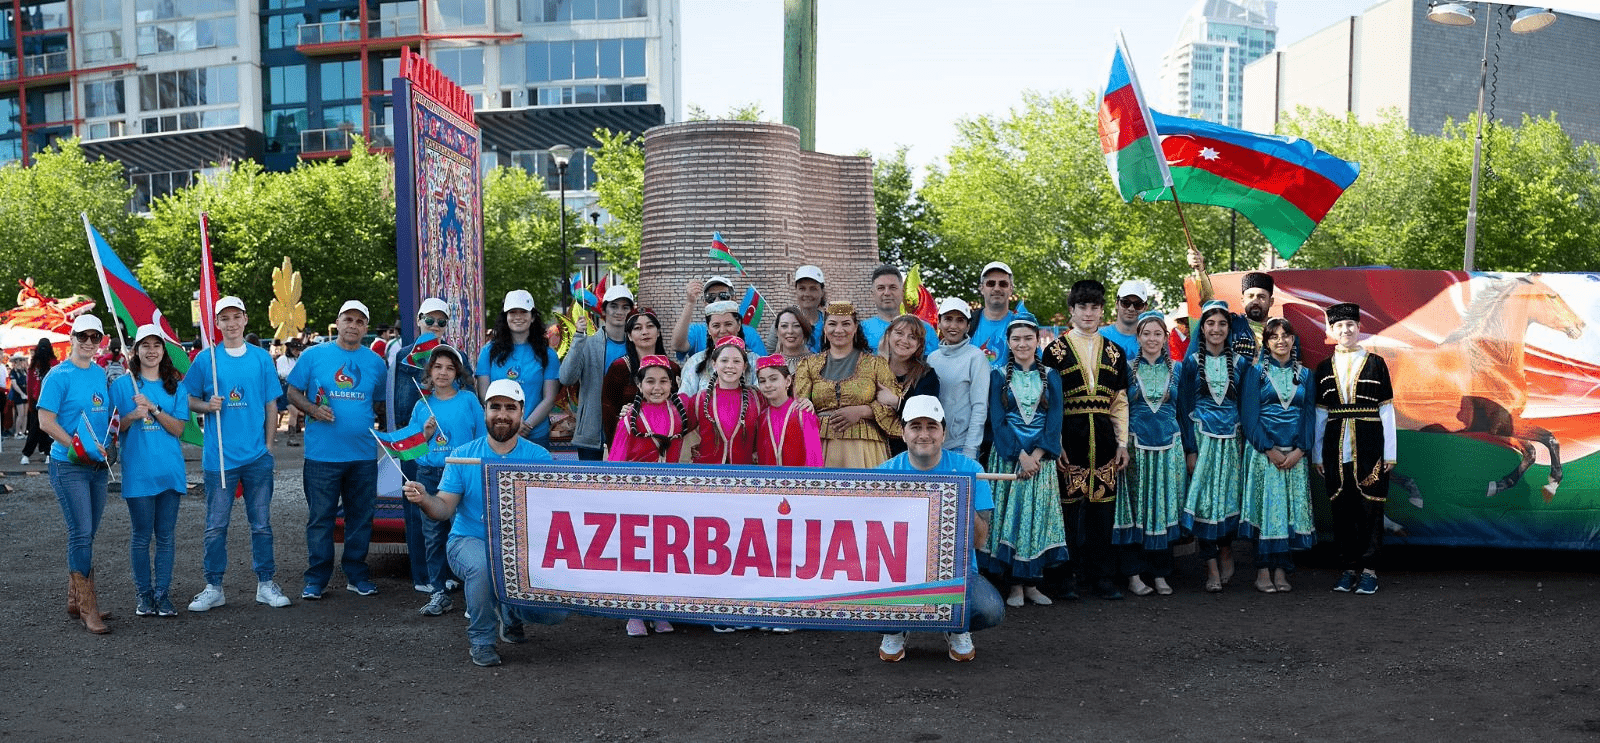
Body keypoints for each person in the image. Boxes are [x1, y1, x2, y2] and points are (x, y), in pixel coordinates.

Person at [401, 380, 570, 667]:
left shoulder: (539, 457)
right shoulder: (463, 456)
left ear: (521, 412)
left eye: (509, 408)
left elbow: (552, 512)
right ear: (484, 411)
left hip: (521, 547)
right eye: (495, 407)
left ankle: (511, 611)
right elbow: (442, 509)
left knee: (555, 613)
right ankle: (481, 640)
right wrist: (424, 499)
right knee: (482, 566)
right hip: (469, 541)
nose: (502, 414)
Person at [875, 395, 1004, 662]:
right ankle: (896, 626)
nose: (924, 434)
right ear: (903, 432)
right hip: (901, 573)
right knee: (860, 601)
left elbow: (979, 541)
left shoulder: (971, 470)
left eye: (931, 426)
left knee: (989, 609)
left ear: (943, 433)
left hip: (956, 573)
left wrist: (960, 496)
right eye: (916, 426)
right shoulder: (885, 472)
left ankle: (955, 625)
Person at [185, 297, 291, 613]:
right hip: (219, 458)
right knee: (216, 525)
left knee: (261, 524)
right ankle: (214, 586)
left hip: (257, 457)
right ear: (216, 323)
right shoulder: (207, 360)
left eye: (236, 317)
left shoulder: (261, 359)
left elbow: (272, 405)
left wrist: (270, 447)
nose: (230, 324)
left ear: (245, 319)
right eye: (224, 319)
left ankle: (265, 584)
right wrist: (207, 406)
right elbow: (187, 398)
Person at [286, 299, 388, 599]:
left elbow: (380, 403)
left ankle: (356, 573)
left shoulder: (375, 363)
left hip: (363, 456)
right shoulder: (314, 355)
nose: (353, 326)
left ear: (366, 328)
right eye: (348, 319)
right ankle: (316, 578)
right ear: (338, 322)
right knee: (321, 517)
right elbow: (292, 391)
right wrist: (312, 410)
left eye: (359, 321)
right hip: (322, 456)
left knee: (360, 516)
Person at [1039, 280, 1131, 601]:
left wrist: (1122, 444)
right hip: (1070, 439)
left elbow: (1119, 402)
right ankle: (1068, 577)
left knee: (1102, 512)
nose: (1088, 313)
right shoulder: (1054, 351)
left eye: (1094, 307)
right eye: (1082, 307)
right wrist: (1056, 442)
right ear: (1072, 310)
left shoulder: (1115, 352)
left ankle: (1101, 577)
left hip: (1105, 440)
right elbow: (1049, 403)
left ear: (1102, 310)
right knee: (1068, 512)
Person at [979, 313, 1067, 607]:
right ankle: (1014, 586)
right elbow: (997, 419)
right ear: (1008, 341)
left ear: (1037, 340)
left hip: (1040, 462)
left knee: (1036, 519)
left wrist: (1038, 454)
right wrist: (1020, 455)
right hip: (1010, 458)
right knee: (1012, 519)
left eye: (1028, 338)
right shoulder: (997, 374)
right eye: (1016, 338)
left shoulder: (1052, 376)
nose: (1022, 343)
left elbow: (1054, 420)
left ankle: (1033, 583)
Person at [1313, 302, 1396, 596]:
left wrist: (1390, 453)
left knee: (1371, 509)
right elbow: (1321, 415)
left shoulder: (1376, 363)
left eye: (1350, 325)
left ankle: (1370, 571)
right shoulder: (1323, 368)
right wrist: (1316, 453)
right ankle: (1348, 569)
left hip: (1371, 445)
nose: (1345, 330)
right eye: (1339, 326)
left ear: (1359, 328)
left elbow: (1386, 410)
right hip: (1335, 450)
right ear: (1331, 331)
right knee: (1342, 510)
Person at [39, 314, 114, 633]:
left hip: (96, 467)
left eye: (94, 337)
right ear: (71, 337)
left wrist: (111, 438)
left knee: (87, 533)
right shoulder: (58, 376)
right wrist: (76, 447)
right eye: (82, 336)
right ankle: (88, 607)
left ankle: (75, 598)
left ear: (100, 342)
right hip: (68, 465)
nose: (88, 342)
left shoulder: (100, 374)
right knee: (81, 532)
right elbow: (46, 421)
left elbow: (107, 416)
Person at [111, 324, 190, 618]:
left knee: (166, 537)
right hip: (139, 473)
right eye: (145, 345)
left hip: (169, 472)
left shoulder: (175, 386)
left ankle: (163, 594)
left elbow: (179, 429)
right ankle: (144, 595)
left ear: (163, 351)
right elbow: (113, 428)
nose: (151, 351)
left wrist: (155, 408)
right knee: (142, 536)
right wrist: (131, 415)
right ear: (136, 350)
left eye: (156, 345)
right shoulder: (122, 385)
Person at [605, 354, 687, 637]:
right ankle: (634, 611)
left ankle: (659, 609)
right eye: (650, 381)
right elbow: (616, 456)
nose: (657, 387)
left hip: (666, 494)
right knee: (634, 552)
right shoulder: (630, 416)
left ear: (673, 383)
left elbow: (674, 456)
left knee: (662, 553)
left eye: (664, 381)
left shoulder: (677, 413)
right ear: (639, 385)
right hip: (634, 495)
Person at [1239, 318, 1317, 594]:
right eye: (1274, 336)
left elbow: (1309, 417)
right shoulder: (1255, 373)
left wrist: (1300, 450)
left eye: (1286, 335)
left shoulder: (1307, 375)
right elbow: (1249, 417)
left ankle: (1282, 570)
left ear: (1293, 340)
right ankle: (1262, 571)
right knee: (1266, 512)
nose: (1281, 340)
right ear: (1267, 342)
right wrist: (1268, 449)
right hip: (1264, 455)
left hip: (1294, 456)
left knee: (1287, 513)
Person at [1115, 311, 1189, 598]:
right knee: (1136, 509)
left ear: (1165, 337)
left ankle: (1160, 574)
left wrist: (1189, 449)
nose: (1152, 339)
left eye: (1158, 333)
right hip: (1135, 448)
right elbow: (1119, 409)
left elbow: (1183, 412)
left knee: (1162, 509)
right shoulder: (1127, 369)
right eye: (1146, 333)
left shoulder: (1178, 369)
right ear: (1138, 337)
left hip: (1169, 448)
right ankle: (1133, 574)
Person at [1179, 300, 1251, 593]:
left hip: (1232, 442)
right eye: (1210, 323)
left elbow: (1247, 407)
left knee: (1228, 499)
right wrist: (1190, 449)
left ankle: (1226, 550)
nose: (1216, 329)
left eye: (1222, 324)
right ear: (1202, 328)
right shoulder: (1192, 362)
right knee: (1204, 502)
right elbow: (1184, 407)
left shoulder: (1243, 364)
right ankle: (1209, 564)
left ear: (1229, 328)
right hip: (1203, 440)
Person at [410, 345, 483, 616]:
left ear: (457, 373)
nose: (443, 372)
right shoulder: (421, 405)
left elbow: (481, 438)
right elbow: (413, 449)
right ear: (429, 371)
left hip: (462, 473)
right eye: (438, 367)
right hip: (429, 475)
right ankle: (439, 592)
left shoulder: (468, 400)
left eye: (449, 367)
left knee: (464, 533)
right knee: (432, 535)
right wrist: (426, 435)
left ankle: (472, 592)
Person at [793, 302, 902, 468]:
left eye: (846, 323)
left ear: (856, 327)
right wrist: (805, 404)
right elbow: (799, 409)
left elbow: (893, 406)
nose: (839, 330)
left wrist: (862, 411)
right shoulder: (808, 365)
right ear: (824, 328)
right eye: (832, 324)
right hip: (820, 447)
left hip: (864, 449)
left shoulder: (876, 364)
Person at [478, 290, 561, 448]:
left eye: (523, 312)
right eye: (512, 312)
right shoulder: (488, 352)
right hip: (499, 434)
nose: (518, 317)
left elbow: (549, 398)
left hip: (535, 435)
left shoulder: (548, 354)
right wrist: (507, 422)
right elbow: (484, 394)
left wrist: (527, 425)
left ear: (533, 317)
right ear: (505, 317)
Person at [561, 284, 634, 459]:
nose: (619, 311)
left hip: (629, 430)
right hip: (593, 434)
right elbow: (566, 378)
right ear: (604, 310)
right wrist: (579, 337)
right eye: (614, 306)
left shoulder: (637, 345)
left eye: (625, 307)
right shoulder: (587, 344)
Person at [1186, 248, 1296, 360]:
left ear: (1271, 302)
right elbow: (1209, 303)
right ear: (1242, 301)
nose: (1255, 301)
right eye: (1250, 296)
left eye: (1261, 297)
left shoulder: (1283, 330)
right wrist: (1200, 270)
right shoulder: (1231, 324)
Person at [600, 306, 675, 448]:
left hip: (666, 443)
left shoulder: (673, 368)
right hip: (630, 446)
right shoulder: (619, 368)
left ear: (658, 332)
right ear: (629, 335)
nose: (645, 332)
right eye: (637, 328)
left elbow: (679, 408)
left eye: (650, 326)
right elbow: (609, 413)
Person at [927, 298, 990, 461]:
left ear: (968, 326)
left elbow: (979, 406)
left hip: (961, 447)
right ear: (939, 323)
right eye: (948, 319)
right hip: (932, 445)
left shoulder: (976, 358)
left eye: (960, 320)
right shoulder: (932, 359)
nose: (953, 326)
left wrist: (970, 449)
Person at [689, 336, 760, 465]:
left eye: (736, 361)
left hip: (745, 475)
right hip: (707, 475)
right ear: (714, 364)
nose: (730, 366)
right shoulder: (701, 398)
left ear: (744, 366)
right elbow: (678, 429)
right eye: (724, 360)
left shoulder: (756, 398)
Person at [880, 314, 940, 456]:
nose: (904, 340)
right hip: (873, 448)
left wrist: (896, 402)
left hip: (908, 452)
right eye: (899, 333)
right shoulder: (873, 369)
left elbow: (926, 414)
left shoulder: (927, 376)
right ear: (889, 335)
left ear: (919, 344)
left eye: (912, 337)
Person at [669, 277, 769, 359]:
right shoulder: (696, 330)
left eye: (723, 296)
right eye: (711, 297)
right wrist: (690, 303)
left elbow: (762, 368)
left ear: (734, 298)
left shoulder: (750, 333)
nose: (717, 301)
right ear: (704, 302)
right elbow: (677, 346)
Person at [753, 353, 823, 467]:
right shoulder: (762, 417)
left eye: (773, 379)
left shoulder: (803, 412)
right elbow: (762, 457)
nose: (768, 385)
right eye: (762, 381)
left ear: (788, 381)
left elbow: (814, 457)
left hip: (800, 482)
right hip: (770, 483)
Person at [678, 300, 757, 397]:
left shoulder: (754, 361)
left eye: (728, 324)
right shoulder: (695, 362)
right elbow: (684, 401)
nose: (723, 331)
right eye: (716, 326)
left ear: (739, 325)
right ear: (709, 329)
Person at [862, 265, 937, 355]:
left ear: (902, 292)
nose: (887, 293)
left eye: (893, 287)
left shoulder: (925, 329)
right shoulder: (860, 330)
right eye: (881, 288)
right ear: (872, 294)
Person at [969, 262, 1018, 369]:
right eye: (991, 283)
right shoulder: (967, 324)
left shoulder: (1022, 323)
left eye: (1003, 284)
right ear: (981, 288)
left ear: (1011, 289)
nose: (996, 288)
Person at [21, 338, 57, 464]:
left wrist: (30, 402)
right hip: (51, 401)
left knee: (34, 428)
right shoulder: (54, 363)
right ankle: (48, 453)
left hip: (37, 400)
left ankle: (26, 455)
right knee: (49, 428)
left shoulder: (33, 364)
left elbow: (30, 385)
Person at [1100, 279, 1152, 359]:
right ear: (1117, 304)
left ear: (1145, 307)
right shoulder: (1098, 336)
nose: (1131, 309)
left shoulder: (1153, 342)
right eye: (1125, 303)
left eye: (1137, 304)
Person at [792, 265, 828, 352]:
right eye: (802, 288)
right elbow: (771, 353)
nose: (807, 294)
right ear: (796, 290)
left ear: (822, 292)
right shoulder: (784, 323)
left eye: (813, 289)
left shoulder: (830, 323)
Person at [770, 306, 814, 371]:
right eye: (784, 326)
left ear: (804, 331)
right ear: (777, 332)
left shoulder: (817, 363)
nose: (790, 331)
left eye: (796, 326)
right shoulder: (769, 364)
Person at [277, 338, 304, 446]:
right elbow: (281, 373)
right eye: (295, 349)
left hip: (297, 388)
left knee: (296, 412)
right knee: (294, 412)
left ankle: (293, 432)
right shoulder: (282, 359)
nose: (297, 351)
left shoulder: (298, 359)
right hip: (286, 388)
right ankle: (291, 437)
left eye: (298, 349)